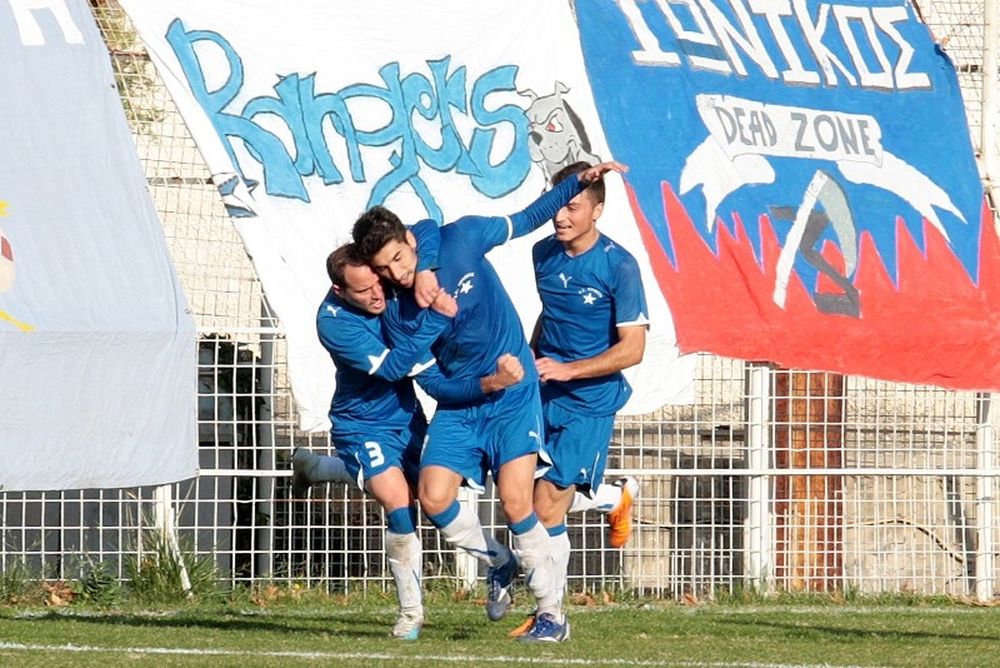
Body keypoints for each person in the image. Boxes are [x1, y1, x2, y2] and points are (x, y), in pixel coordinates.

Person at [352, 160, 627, 640]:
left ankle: (552, 615)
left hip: (514, 395)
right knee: (434, 497)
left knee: (519, 502)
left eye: (399, 258)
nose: (396, 274)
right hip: (465, 402)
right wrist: (483, 385)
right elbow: (432, 384)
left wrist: (575, 183)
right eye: (383, 269)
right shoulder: (397, 315)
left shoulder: (461, 238)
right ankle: (497, 562)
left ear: (411, 242)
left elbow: (526, 218)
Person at [303, 238, 523, 641]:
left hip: (405, 418)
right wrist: (437, 319)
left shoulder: (393, 298)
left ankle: (498, 560)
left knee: (434, 499)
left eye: (379, 285)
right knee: (396, 498)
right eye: (363, 290)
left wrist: (488, 384)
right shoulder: (334, 321)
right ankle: (410, 613)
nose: (376, 295)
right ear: (339, 290)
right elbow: (391, 369)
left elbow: (434, 380)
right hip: (361, 424)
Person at [514, 161, 649, 642]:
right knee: (522, 493)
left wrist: (569, 368)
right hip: (544, 392)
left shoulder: (619, 265)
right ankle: (613, 497)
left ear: (598, 211)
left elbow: (633, 349)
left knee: (544, 508)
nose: (561, 217)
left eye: (573, 207)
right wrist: (531, 360)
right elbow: (550, 317)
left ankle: (552, 617)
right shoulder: (542, 255)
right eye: (559, 206)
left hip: (590, 401)